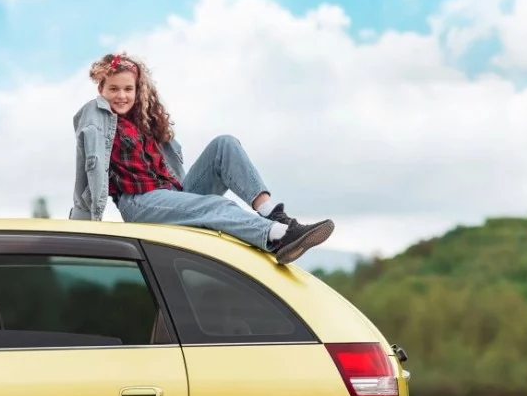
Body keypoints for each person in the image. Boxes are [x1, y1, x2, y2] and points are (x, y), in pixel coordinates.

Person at [69, 52, 334, 265]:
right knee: (215, 206)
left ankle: (275, 216)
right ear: (101, 89)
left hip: (173, 192)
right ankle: (278, 237)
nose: (121, 95)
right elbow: (86, 174)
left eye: (129, 88)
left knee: (224, 144)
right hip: (140, 203)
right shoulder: (95, 117)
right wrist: (79, 233)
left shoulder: (143, 118)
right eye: (113, 88)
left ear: (138, 90)